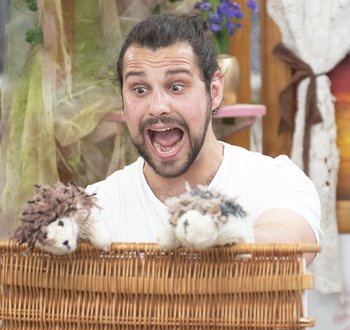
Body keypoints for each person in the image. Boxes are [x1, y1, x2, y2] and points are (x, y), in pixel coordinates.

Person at [86, 13, 321, 264]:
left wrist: (218, 234)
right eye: (139, 90)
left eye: (176, 86)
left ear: (215, 91)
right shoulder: (100, 205)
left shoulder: (275, 180)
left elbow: (292, 243)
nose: (157, 107)